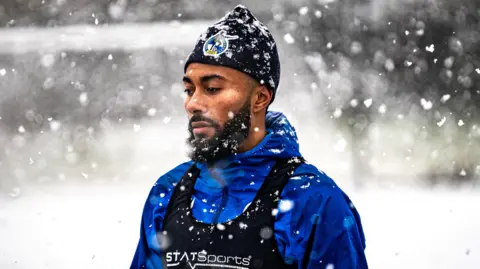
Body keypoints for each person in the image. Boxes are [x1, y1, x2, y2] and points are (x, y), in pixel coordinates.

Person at [130, 5, 367, 269]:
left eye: (212, 88)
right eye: (189, 89)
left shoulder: (313, 201)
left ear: (260, 98)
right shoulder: (168, 192)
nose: (193, 103)